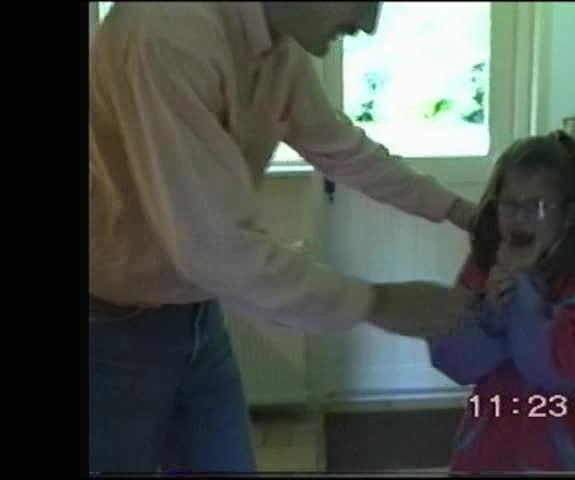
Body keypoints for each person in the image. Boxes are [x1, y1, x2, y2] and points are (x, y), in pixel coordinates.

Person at [89, 2, 477, 473]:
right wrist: (382, 303)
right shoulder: (168, 32)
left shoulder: (276, 49)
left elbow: (343, 150)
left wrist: (459, 211)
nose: (368, 25)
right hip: (109, 330)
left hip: (196, 315)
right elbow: (215, 250)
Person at [428, 131, 575, 473]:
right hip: (486, 456)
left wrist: (524, 295)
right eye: (511, 204)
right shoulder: (486, 266)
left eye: (539, 206)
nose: (521, 217)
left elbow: (555, 374)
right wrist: (488, 316)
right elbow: (453, 363)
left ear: (569, 215)